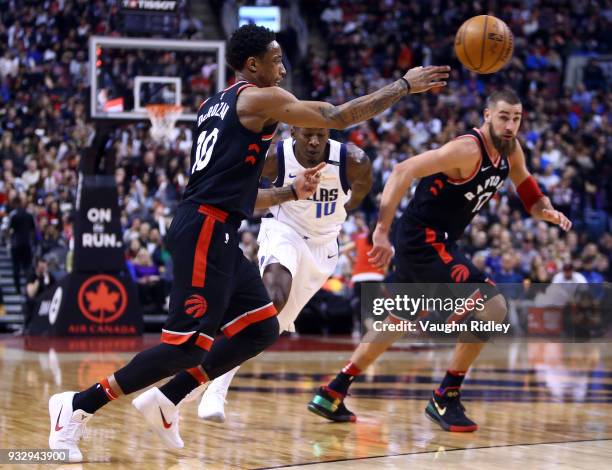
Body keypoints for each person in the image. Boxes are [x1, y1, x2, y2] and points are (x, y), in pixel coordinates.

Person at [48, 24, 449, 462]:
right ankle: (77, 405)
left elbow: (238, 193)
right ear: (253, 65)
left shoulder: (211, 105)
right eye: (276, 60)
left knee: (261, 327)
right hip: (204, 228)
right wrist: (402, 86)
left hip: (216, 227)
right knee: (184, 347)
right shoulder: (261, 97)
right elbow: (334, 117)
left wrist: (290, 193)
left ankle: (167, 400)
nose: (283, 68)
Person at [308, 89, 572, 432]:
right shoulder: (466, 149)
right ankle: (445, 395)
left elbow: (527, 188)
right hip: (424, 239)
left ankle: (334, 390)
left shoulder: (511, 149)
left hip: (434, 240)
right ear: (487, 115)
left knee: (397, 320)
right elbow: (403, 169)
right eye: (504, 116)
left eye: (516, 118)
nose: (510, 125)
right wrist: (381, 231)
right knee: (492, 306)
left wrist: (544, 210)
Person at [197, 126, 373, 422]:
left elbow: (360, 193)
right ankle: (213, 390)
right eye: (307, 135)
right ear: (293, 132)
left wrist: (337, 211)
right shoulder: (276, 157)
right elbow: (242, 193)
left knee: (268, 328)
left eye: (320, 134)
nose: (315, 141)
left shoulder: (352, 159)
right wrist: (287, 194)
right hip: (284, 231)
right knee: (272, 298)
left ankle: (197, 386)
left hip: (323, 247)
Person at [8, 196, 35, 295]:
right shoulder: (29, 215)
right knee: (27, 267)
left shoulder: (13, 215)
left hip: (16, 244)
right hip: (26, 243)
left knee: (16, 267)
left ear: (15, 204)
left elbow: (10, 230)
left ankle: (18, 289)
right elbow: (33, 230)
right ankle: (28, 288)